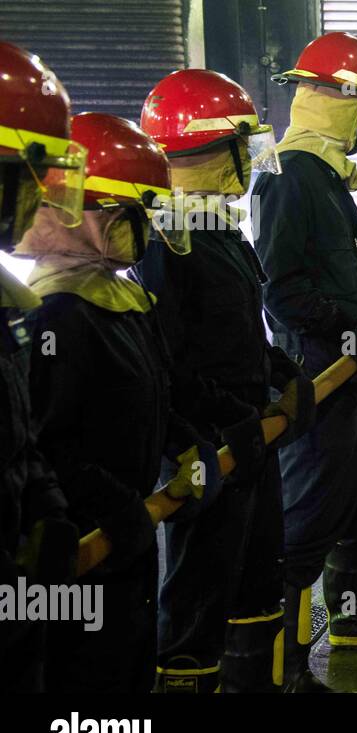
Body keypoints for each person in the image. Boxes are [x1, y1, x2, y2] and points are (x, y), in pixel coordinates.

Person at [17, 112, 222, 692]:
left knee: (129, 668)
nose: (144, 230)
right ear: (91, 215)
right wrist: (113, 506)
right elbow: (48, 443)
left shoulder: (121, 297)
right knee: (87, 681)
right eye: (133, 214)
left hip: (126, 535)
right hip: (81, 546)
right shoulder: (55, 311)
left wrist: (182, 444)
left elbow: (154, 392)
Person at [137, 68, 317, 693]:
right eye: (244, 145)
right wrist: (225, 422)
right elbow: (170, 364)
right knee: (196, 598)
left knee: (254, 582)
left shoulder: (219, 229)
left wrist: (283, 374)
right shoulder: (165, 239)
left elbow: (243, 333)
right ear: (214, 148)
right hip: (208, 450)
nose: (251, 159)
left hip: (249, 440)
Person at [254, 31, 357, 692]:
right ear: (342, 100)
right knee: (302, 533)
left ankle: (348, 622)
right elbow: (283, 285)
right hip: (318, 382)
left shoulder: (323, 177)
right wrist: (351, 323)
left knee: (356, 507)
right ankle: (283, 671)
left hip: (349, 378)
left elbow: (337, 272)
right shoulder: (288, 174)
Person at [0, 41, 83, 693]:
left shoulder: (12, 300)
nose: (40, 196)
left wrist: (47, 508)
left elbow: (22, 432)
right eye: (31, 171)